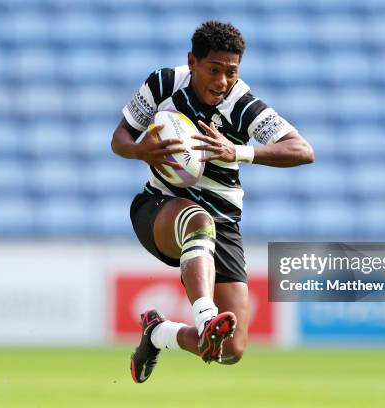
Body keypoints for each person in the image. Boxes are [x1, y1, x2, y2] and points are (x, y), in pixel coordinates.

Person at [111, 20, 314, 383]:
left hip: (223, 222)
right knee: (196, 220)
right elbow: (120, 137)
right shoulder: (163, 84)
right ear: (192, 62)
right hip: (160, 207)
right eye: (214, 70)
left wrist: (236, 150)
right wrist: (141, 150)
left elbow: (302, 150)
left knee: (229, 350)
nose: (222, 81)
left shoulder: (242, 105)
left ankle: (157, 333)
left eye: (231, 72)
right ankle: (205, 314)